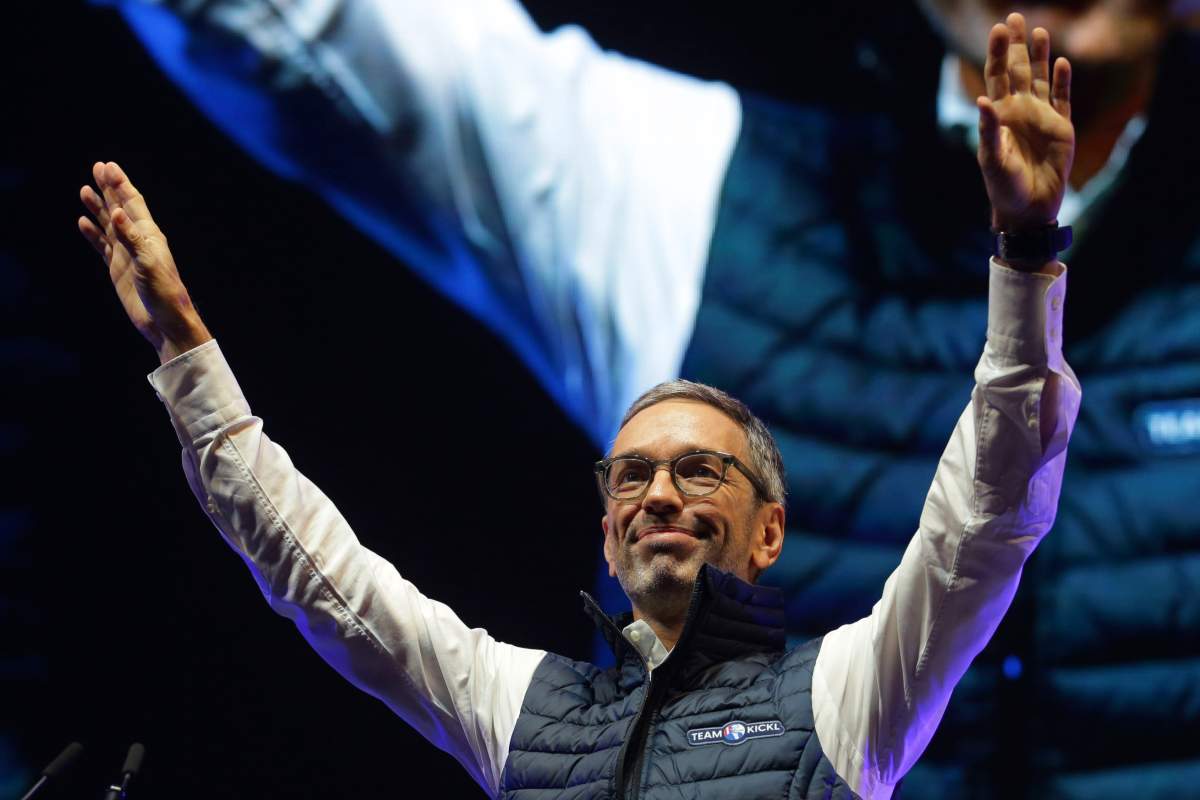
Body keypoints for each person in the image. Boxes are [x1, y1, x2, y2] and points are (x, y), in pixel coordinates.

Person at [79, 16, 1081, 799]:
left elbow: (982, 523)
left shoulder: (845, 695)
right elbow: (320, 579)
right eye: (634, 474)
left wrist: (1027, 250)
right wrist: (185, 348)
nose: (660, 493)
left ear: (770, 531)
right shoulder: (524, 706)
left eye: (702, 468)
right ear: (606, 533)